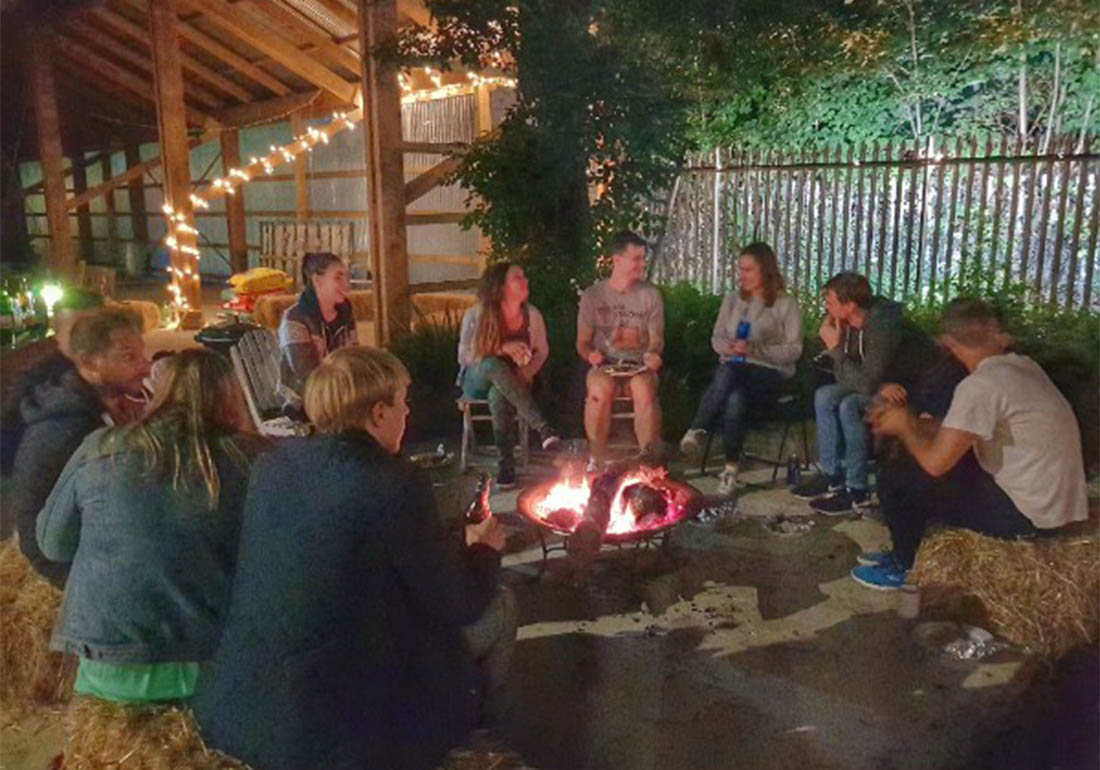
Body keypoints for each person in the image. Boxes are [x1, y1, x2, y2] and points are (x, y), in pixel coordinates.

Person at [193, 347, 516, 770]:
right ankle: (472, 733)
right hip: (334, 736)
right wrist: (483, 551)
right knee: (500, 606)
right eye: (402, 401)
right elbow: (457, 602)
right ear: (378, 413)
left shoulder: (272, 465)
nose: (408, 413)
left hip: (242, 709)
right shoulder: (394, 482)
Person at [36, 349, 262, 701]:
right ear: (231, 396)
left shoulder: (100, 447)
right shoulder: (246, 460)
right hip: (204, 663)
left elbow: (52, 543)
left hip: (105, 662)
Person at [852, 299, 1089, 590]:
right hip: (1054, 509)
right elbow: (959, 429)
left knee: (899, 474)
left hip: (1028, 517)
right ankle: (903, 553)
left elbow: (936, 464)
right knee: (926, 458)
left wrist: (903, 427)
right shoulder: (1022, 367)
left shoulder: (980, 386)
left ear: (948, 343)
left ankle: (905, 566)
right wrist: (910, 421)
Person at [8, 309, 149, 588]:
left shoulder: (103, 405)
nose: (145, 367)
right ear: (89, 364)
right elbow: (43, 538)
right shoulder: (67, 428)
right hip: (64, 560)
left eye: (142, 354)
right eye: (129, 357)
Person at [679, 243, 803, 496]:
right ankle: (730, 469)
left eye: (748, 270)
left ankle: (697, 427)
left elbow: (794, 350)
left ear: (765, 270)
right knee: (735, 397)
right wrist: (731, 348)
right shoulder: (733, 300)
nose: (742, 275)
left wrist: (755, 350)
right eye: (740, 269)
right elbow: (717, 339)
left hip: (769, 373)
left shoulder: (785, 304)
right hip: (735, 367)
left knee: (728, 375)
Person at [791, 272, 908, 515]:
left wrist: (835, 348)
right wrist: (839, 344)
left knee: (849, 405)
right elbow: (846, 377)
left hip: (903, 389)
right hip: (875, 385)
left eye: (831, 301)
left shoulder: (881, 327)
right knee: (825, 395)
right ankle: (831, 474)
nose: (826, 306)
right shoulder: (851, 326)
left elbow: (865, 383)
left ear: (850, 305)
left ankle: (856, 489)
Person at [458, 262, 561, 488]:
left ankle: (506, 467)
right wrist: (501, 348)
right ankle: (543, 427)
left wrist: (528, 370)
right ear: (501, 286)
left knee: (499, 395)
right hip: (477, 378)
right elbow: (465, 355)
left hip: (511, 382)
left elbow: (542, 351)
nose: (526, 281)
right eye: (518, 278)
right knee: (494, 366)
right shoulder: (477, 314)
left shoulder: (531, 315)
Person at [576, 231, 664, 465]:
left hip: (638, 364)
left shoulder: (650, 295)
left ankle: (648, 459)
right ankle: (596, 457)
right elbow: (582, 343)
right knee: (598, 389)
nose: (642, 264)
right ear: (617, 260)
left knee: (644, 388)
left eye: (643, 258)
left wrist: (653, 353)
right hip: (606, 364)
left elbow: (656, 338)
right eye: (636, 258)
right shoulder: (593, 295)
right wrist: (591, 355)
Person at [0, 288, 104, 476]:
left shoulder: (113, 371)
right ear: (56, 333)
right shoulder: (34, 380)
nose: (86, 339)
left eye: (97, 331)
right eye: (76, 331)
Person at [278, 251, 357, 414]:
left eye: (346, 277)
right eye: (338, 277)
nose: (346, 284)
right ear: (318, 281)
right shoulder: (295, 318)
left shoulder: (345, 313)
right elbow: (306, 375)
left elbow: (353, 356)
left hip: (338, 394)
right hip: (302, 401)